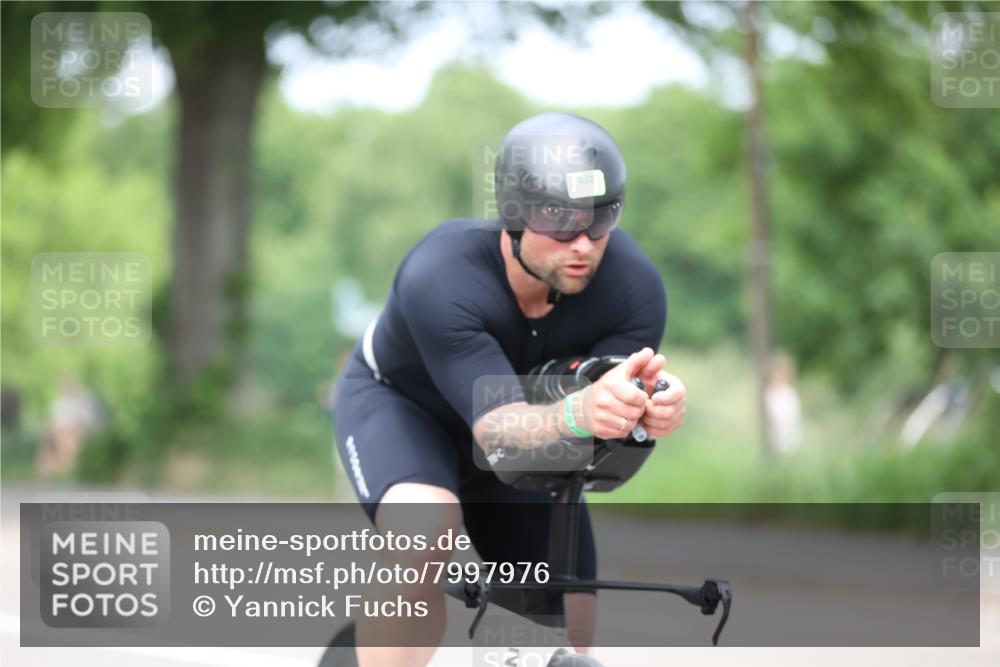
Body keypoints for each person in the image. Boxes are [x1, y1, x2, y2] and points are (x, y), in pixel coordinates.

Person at [332, 112, 687, 667]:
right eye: (562, 224)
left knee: (566, 625)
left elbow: (595, 433)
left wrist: (645, 410)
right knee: (425, 531)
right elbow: (499, 429)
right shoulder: (443, 273)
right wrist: (579, 414)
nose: (585, 244)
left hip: (533, 434)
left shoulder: (634, 287)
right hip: (406, 411)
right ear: (513, 217)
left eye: (601, 221)